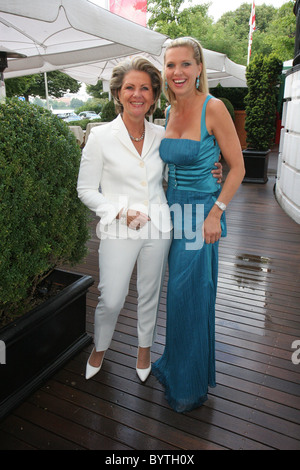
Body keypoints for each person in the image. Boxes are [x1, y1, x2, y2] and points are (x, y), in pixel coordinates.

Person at [77, 56, 222, 383]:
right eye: (130, 87)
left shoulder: (162, 134)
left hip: (160, 225)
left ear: (155, 95)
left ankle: (144, 351)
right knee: (111, 297)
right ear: (118, 92)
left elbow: (182, 169)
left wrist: (214, 171)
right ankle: (99, 348)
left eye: (145, 88)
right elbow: (85, 189)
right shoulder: (100, 137)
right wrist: (120, 211)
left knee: (150, 293)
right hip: (118, 228)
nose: (137, 94)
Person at [152, 37, 245, 412]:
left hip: (199, 217)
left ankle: (188, 386)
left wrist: (216, 212)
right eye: (171, 65)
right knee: (176, 297)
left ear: (199, 68)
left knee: (189, 294)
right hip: (170, 211)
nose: (177, 72)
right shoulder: (171, 108)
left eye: (185, 64)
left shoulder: (214, 107)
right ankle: (175, 367)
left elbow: (236, 167)